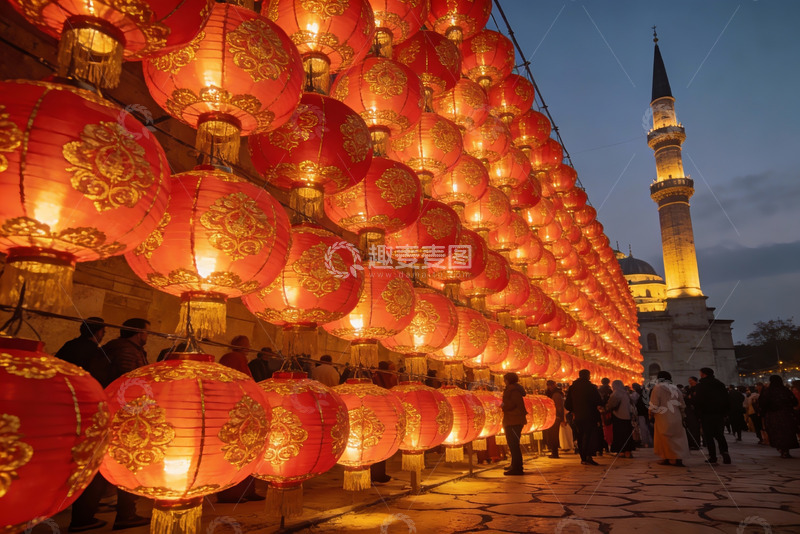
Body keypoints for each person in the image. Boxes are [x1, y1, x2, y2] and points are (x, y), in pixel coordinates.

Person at [94, 318, 152, 530]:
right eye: (146, 333)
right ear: (138, 333)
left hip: (113, 411)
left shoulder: (115, 347)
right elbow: (127, 382)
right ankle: (126, 514)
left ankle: (102, 506)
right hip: (125, 415)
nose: (147, 337)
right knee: (130, 463)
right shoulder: (127, 351)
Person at [216, 335, 264, 503]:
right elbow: (240, 384)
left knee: (248, 451)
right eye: (246, 345)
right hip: (235, 411)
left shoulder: (237, 358)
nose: (248, 348)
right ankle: (232, 493)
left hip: (244, 412)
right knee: (236, 453)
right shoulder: (233, 358)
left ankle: (247, 490)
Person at [650, 371, 689, 467]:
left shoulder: (657, 388)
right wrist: (683, 415)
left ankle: (668, 458)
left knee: (665, 438)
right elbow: (682, 404)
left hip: (662, 416)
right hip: (676, 416)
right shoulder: (675, 388)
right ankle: (676, 458)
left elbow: (654, 404)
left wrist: (650, 414)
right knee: (677, 438)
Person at [564, 369, 603, 466]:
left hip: (577, 416)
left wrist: (574, 410)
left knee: (580, 436)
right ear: (588, 376)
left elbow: (567, 404)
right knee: (589, 436)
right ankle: (588, 456)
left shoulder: (572, 388)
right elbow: (598, 400)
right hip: (590, 416)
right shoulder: (591, 387)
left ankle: (583, 458)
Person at [695, 367, 731, 465]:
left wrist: (698, 414)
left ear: (703, 374)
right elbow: (726, 399)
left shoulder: (701, 386)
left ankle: (713, 456)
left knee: (708, 436)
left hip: (706, 414)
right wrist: (725, 413)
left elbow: (698, 401)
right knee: (720, 434)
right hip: (719, 414)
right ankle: (724, 452)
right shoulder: (720, 384)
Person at [758, 375, 799, 458]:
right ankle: (786, 450)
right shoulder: (785, 390)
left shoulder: (768, 391)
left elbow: (763, 403)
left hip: (773, 415)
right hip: (787, 415)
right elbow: (794, 401)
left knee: (776, 432)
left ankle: (780, 448)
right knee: (787, 432)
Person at [501, 372, 527, 475]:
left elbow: (514, 403)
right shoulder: (513, 389)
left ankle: (518, 468)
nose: (504, 381)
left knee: (514, 444)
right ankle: (514, 465)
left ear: (508, 380)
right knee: (512, 445)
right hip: (512, 419)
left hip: (514, 420)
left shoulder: (513, 390)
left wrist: (503, 405)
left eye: (505, 379)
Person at [605, 380, 635, 458]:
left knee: (619, 435)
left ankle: (621, 451)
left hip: (618, 416)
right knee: (627, 434)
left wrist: (605, 408)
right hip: (627, 416)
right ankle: (628, 451)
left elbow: (611, 405)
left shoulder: (616, 393)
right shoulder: (626, 393)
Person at [544, 380, 565, 458]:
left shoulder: (556, 394)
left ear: (554, 385)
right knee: (552, 435)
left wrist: (561, 417)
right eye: (548, 385)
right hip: (552, 416)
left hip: (555, 417)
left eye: (551, 385)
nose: (549, 387)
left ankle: (555, 452)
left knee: (554, 435)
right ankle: (554, 451)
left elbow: (559, 407)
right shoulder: (551, 393)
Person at [631, 383, 653, 448]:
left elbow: (633, 401)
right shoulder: (646, 392)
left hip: (641, 413)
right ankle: (650, 442)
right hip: (647, 412)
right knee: (648, 427)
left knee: (643, 428)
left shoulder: (636, 394)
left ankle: (645, 442)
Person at [683, 376, 702, 449]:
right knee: (690, 428)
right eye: (689, 380)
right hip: (689, 412)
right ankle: (691, 443)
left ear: (695, 381)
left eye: (691, 380)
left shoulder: (698, 388)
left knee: (695, 429)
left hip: (695, 412)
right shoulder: (689, 389)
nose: (689, 382)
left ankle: (696, 444)